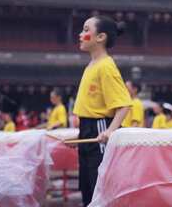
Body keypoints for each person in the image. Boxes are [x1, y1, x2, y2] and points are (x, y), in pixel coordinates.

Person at [73, 15, 132, 206]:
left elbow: (123, 105)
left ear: (101, 37)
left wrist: (110, 131)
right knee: (87, 187)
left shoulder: (106, 66)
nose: (80, 34)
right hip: (87, 129)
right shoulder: (92, 65)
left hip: (100, 129)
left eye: (86, 30)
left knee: (100, 188)